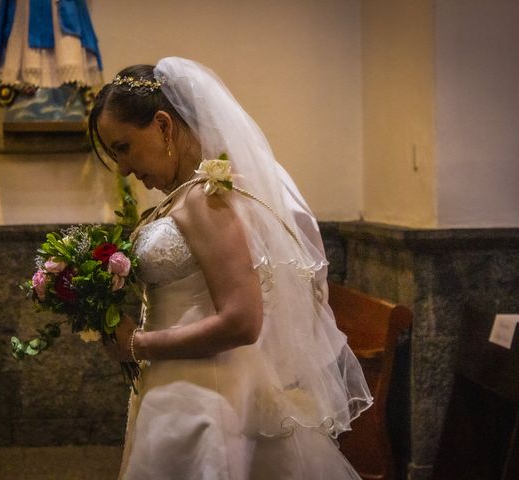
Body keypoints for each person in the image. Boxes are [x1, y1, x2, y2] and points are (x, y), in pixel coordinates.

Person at [88, 57, 372, 479]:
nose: (124, 168)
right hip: (181, 387)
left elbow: (242, 321)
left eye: (124, 148)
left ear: (164, 126)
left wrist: (137, 345)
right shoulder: (189, 194)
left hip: (205, 396)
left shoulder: (207, 197)